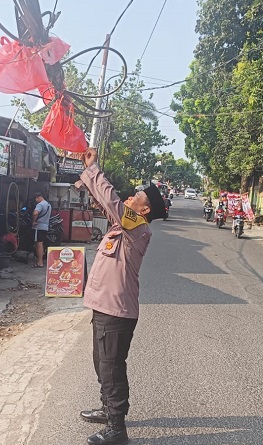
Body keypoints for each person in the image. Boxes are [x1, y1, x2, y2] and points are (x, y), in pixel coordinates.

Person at [76, 148, 166, 445]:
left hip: (116, 311)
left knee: (112, 369)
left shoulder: (138, 228)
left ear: (144, 210)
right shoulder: (122, 227)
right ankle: (107, 409)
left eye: (134, 198)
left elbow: (111, 201)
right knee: (101, 363)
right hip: (104, 307)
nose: (127, 198)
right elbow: (104, 202)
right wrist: (87, 176)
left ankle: (117, 428)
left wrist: (94, 169)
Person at [31, 191, 51, 268]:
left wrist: (33, 221)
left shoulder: (40, 204)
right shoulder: (48, 204)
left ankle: (40, 262)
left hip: (39, 226)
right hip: (45, 226)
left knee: (39, 244)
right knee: (41, 243)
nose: (35, 201)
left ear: (38, 197)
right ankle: (40, 261)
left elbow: (35, 213)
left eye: (35, 199)